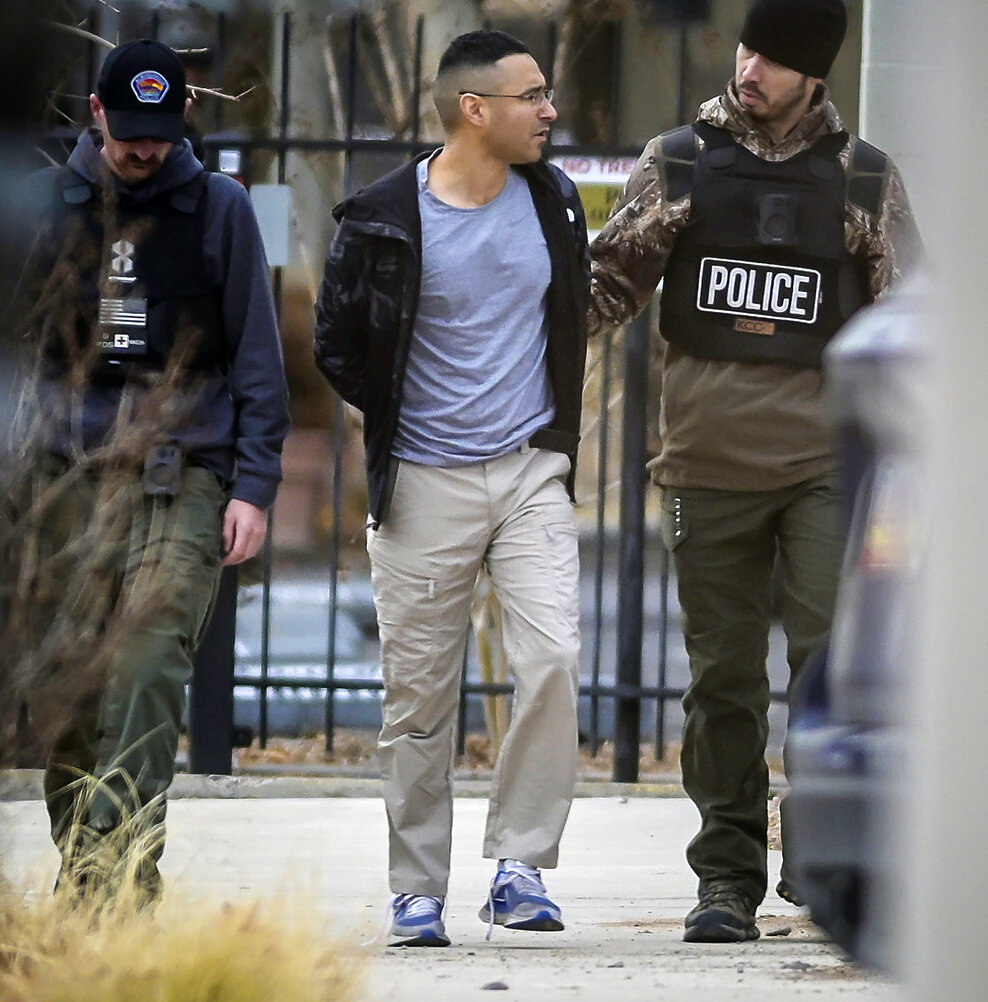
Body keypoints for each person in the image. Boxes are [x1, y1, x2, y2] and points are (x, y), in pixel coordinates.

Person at [588, 0, 921, 943]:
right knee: (723, 679)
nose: (750, 68)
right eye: (748, 48)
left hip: (824, 470)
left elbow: (912, 318)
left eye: (774, 59)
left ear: (814, 74)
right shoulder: (682, 162)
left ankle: (821, 861)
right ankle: (726, 877)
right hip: (705, 465)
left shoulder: (862, 180)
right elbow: (602, 288)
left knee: (830, 662)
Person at [314, 29, 589, 947]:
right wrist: (410, 419)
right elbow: (338, 346)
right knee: (419, 700)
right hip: (424, 481)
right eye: (533, 96)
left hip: (528, 472)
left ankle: (520, 865)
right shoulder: (383, 217)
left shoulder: (552, 200)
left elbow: (573, 316)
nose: (550, 111)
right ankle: (417, 889)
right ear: (476, 110)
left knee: (552, 660)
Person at [20, 38, 289, 902]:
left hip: (184, 473)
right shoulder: (44, 210)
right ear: (95, 114)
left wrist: (253, 487)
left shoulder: (220, 211)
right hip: (63, 479)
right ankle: (89, 866)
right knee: (70, 693)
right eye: (128, 131)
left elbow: (258, 358)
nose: (144, 148)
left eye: (161, 132)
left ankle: (113, 884)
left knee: (143, 671)